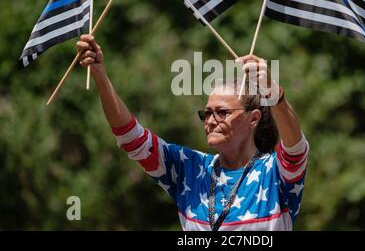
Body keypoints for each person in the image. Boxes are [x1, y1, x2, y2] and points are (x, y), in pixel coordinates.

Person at [76, 34, 310, 231]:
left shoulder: (274, 173)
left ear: (254, 118)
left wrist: (274, 96)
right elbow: (131, 138)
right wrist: (100, 74)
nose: (210, 121)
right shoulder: (190, 168)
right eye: (206, 113)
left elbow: (295, 148)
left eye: (222, 112)